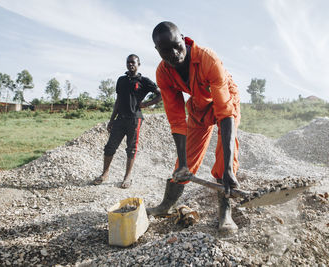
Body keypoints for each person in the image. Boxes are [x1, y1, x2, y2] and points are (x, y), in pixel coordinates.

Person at [146, 22, 241, 232]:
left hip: (225, 98)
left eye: (176, 46)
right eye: (165, 51)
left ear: (183, 39)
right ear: (157, 51)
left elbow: (225, 114)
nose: (173, 54)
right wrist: (183, 166)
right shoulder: (163, 73)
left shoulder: (207, 58)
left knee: (224, 160)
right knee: (185, 159)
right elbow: (177, 119)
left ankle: (225, 214)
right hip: (199, 103)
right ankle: (166, 205)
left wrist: (226, 169)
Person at [93, 54, 161, 188]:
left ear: (138, 64)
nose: (130, 65)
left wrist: (147, 104)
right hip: (120, 119)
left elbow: (160, 94)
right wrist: (112, 120)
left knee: (131, 149)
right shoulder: (121, 80)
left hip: (135, 120)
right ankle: (105, 174)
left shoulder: (144, 81)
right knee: (109, 147)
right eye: (128, 62)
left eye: (133, 63)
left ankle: (127, 177)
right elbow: (118, 101)